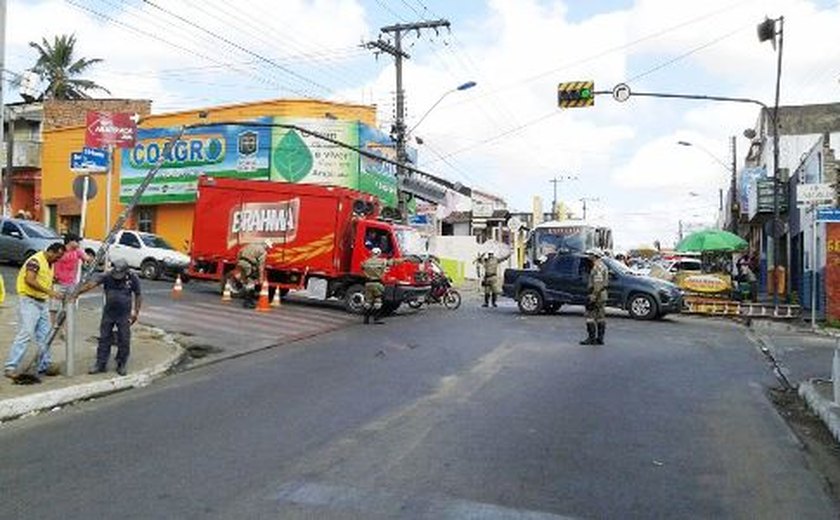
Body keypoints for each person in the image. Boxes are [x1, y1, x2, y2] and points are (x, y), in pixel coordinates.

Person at [4, 242, 67, 379]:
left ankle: (44, 364)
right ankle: (10, 366)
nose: (58, 259)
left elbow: (43, 278)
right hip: (29, 301)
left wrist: (54, 281)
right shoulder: (35, 260)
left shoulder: (49, 263)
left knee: (46, 335)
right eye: (57, 256)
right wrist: (50, 292)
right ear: (51, 251)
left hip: (41, 302)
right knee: (26, 333)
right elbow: (29, 280)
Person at [78, 258, 142, 376]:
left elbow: (138, 295)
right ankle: (100, 364)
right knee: (104, 338)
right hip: (109, 313)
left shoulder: (133, 278)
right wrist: (77, 292)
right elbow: (91, 284)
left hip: (124, 314)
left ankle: (121, 363)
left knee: (124, 339)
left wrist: (136, 312)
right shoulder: (107, 276)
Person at [51, 233, 93, 331]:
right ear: (70, 241)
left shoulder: (78, 251)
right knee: (54, 307)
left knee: (68, 308)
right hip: (58, 283)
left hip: (71, 284)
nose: (78, 243)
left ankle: (64, 329)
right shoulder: (60, 250)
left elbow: (88, 259)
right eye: (76, 241)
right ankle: (53, 328)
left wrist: (94, 259)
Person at [361, 247, 407, 324]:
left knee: (368, 301)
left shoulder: (366, 262)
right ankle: (376, 319)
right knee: (378, 301)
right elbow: (393, 262)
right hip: (377, 284)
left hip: (368, 283)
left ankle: (366, 319)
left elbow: (362, 268)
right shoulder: (382, 261)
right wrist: (404, 259)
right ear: (379, 253)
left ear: (371, 253)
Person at [581, 249, 609, 345]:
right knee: (600, 317)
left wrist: (592, 298)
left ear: (595, 256)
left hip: (597, 295)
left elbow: (598, 284)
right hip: (601, 295)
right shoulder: (601, 266)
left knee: (590, 317)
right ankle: (600, 338)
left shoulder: (598, 268)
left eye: (590, 254)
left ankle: (591, 338)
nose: (589, 256)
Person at [236, 239, 273, 308]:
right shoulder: (263, 252)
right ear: (266, 245)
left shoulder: (251, 245)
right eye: (268, 247)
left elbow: (240, 251)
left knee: (245, 281)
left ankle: (240, 285)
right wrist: (261, 279)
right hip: (249, 266)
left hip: (241, 262)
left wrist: (238, 262)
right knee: (251, 283)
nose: (268, 249)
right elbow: (261, 266)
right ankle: (247, 302)